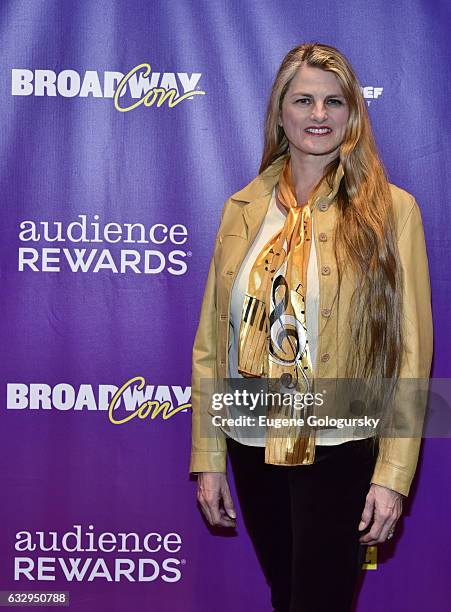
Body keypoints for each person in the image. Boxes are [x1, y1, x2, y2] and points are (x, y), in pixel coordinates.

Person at [189, 42, 433, 612]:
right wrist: (209, 456)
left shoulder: (393, 212)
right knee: (287, 599)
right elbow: (210, 345)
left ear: (352, 114)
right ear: (281, 112)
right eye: (303, 100)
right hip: (250, 442)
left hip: (341, 445)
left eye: (334, 101)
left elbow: (411, 355)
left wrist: (394, 474)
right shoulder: (241, 209)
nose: (319, 114)